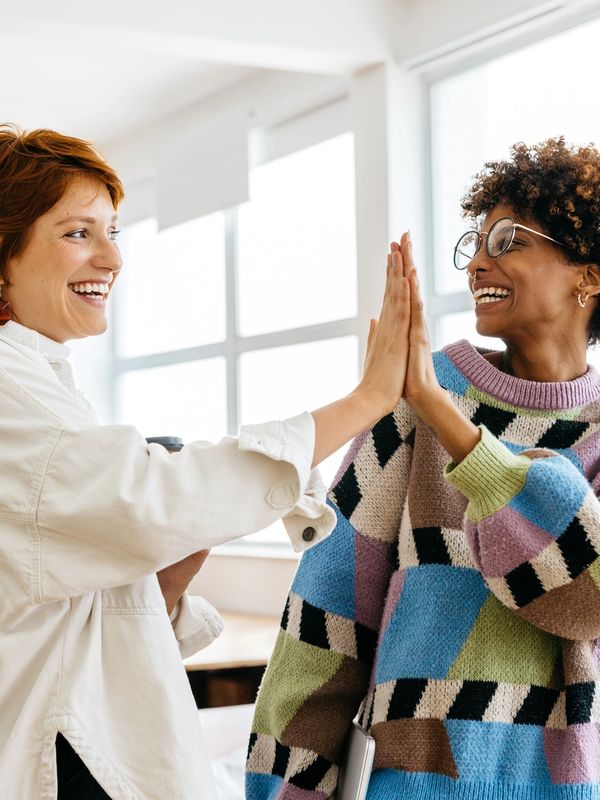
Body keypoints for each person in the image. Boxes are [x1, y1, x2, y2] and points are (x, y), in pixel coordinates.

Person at [0, 123, 411, 800]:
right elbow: (152, 500)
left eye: (113, 232)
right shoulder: (11, 387)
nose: (111, 257)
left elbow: (62, 586)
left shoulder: (45, 380)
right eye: (78, 233)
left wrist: (162, 583)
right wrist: (367, 399)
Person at [246, 137, 600, 800]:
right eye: (475, 244)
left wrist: (448, 420)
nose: (479, 263)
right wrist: (281, 790)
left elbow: (588, 599)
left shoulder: (431, 399)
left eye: (507, 240)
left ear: (590, 276)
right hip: (410, 784)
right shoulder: (416, 395)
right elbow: (328, 612)